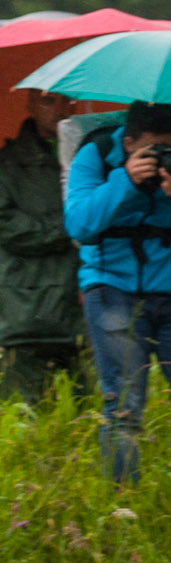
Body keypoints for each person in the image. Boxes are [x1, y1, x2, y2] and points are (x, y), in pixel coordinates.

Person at [63, 101, 171, 482]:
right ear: (128, 142)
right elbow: (79, 224)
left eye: (169, 147)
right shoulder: (95, 155)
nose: (162, 156)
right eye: (152, 149)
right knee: (123, 407)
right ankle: (124, 498)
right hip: (112, 288)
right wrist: (124, 180)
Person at [0, 90, 84, 400]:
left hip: (84, 306)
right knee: (22, 409)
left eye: (67, 101)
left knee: (88, 412)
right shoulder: (7, 165)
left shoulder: (89, 158)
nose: (60, 109)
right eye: (49, 101)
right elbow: (8, 226)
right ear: (31, 105)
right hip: (27, 308)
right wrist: (71, 225)